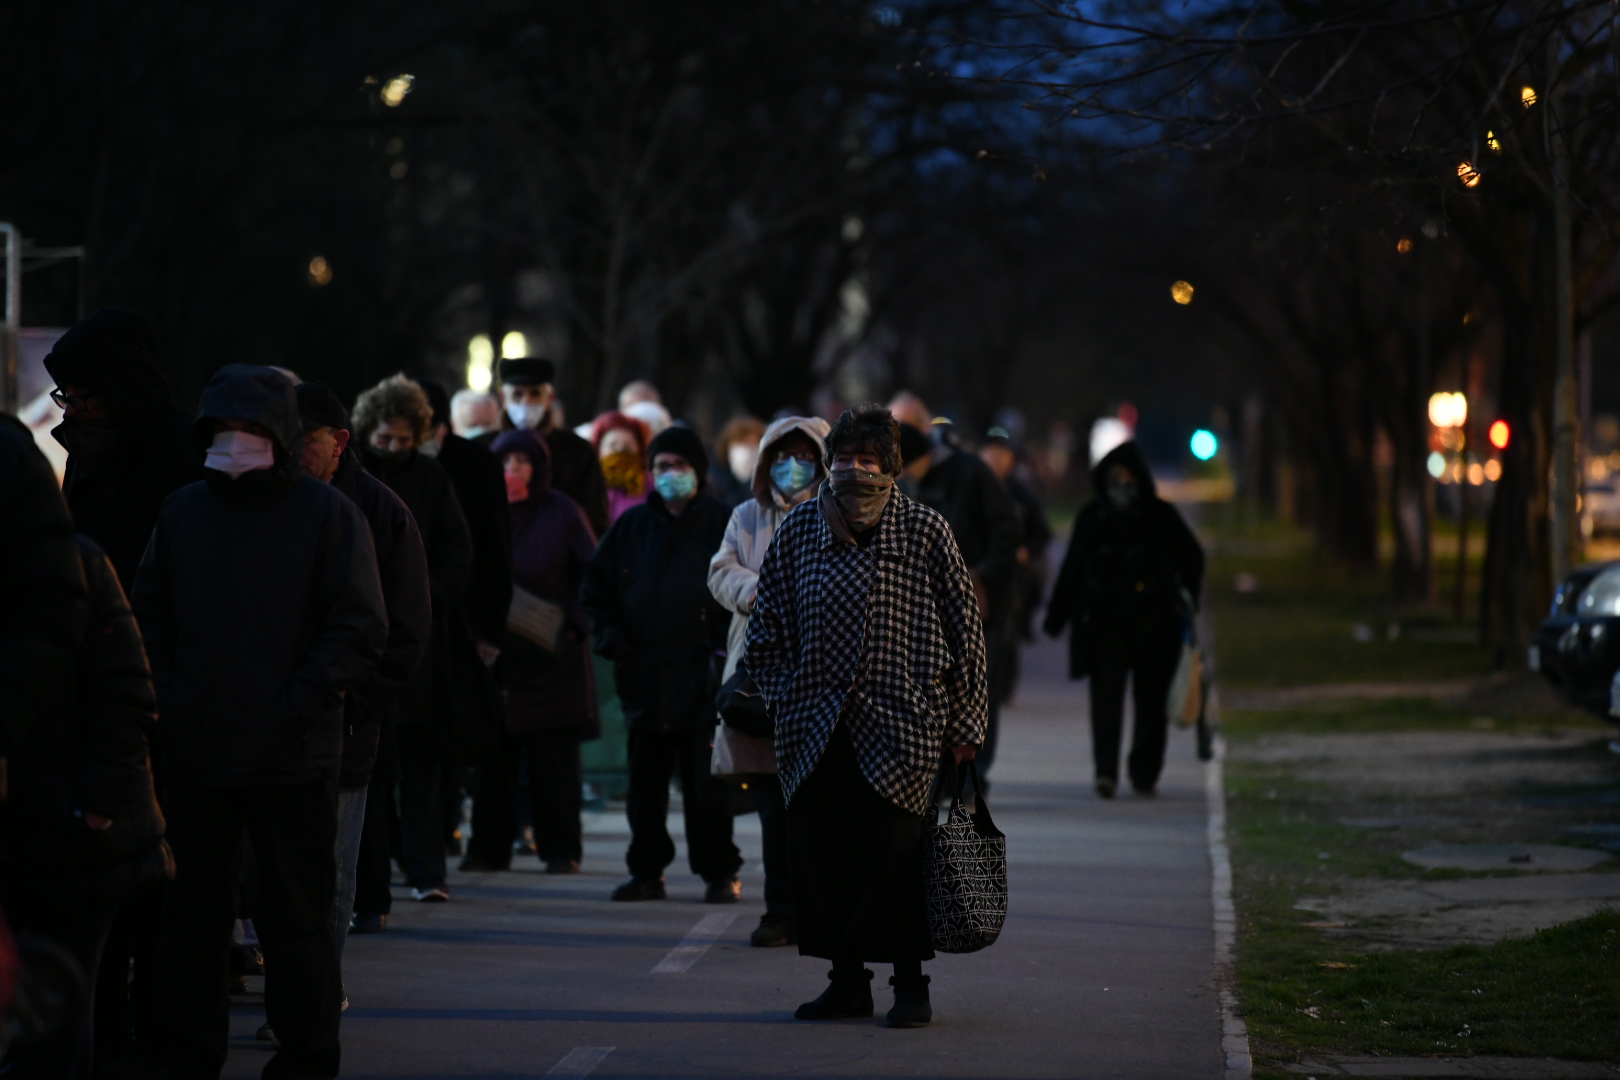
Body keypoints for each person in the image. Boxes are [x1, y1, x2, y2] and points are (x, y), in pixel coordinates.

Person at [133, 364, 387, 1080]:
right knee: (192, 922)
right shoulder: (184, 512)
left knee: (295, 921)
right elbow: (149, 613)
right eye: (224, 430)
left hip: (291, 757)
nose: (235, 443)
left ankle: (306, 1057)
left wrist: (297, 704)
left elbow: (358, 627)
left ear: (277, 435)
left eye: (249, 430)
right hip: (201, 750)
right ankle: (186, 1055)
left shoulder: (328, 515)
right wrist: (173, 698)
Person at [746, 404, 988, 1029]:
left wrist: (963, 727)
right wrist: (784, 696)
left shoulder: (926, 531)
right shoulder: (800, 530)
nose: (855, 470)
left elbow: (968, 634)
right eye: (845, 460)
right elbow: (765, 628)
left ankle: (912, 984)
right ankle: (846, 982)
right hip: (815, 729)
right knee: (827, 860)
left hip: (902, 727)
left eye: (869, 460)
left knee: (897, 860)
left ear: (892, 467)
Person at [294, 382, 431, 976]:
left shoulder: (379, 512)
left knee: (329, 872)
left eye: (302, 441)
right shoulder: (268, 502)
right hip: (267, 717)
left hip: (344, 722)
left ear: (337, 442)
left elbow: (403, 629)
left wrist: (355, 704)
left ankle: (312, 999)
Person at [582, 425, 741, 903]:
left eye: (679, 466)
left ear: (698, 472)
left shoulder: (721, 522)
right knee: (644, 790)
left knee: (707, 788)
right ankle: (647, 871)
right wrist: (614, 641)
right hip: (644, 677)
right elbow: (597, 589)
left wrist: (720, 652)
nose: (670, 475)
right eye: (661, 467)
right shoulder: (631, 527)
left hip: (701, 678)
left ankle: (718, 871)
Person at [351, 374, 479, 905]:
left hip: (418, 639)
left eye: (405, 439)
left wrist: (426, 595)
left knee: (422, 766)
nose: (394, 448)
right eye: (385, 438)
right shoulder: (353, 478)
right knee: (374, 773)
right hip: (364, 635)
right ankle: (375, 877)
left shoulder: (430, 478)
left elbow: (457, 551)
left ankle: (427, 870)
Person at [707, 415, 829, 948]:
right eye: (782, 454)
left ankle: (821, 907)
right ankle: (780, 908)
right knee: (774, 803)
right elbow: (720, 571)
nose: (792, 464)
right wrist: (761, 589)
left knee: (821, 803)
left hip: (822, 678)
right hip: (761, 677)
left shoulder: (835, 513)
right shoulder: (746, 516)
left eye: (804, 454)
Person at [463, 430, 599, 873]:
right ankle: (488, 849)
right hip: (495, 660)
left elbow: (592, 577)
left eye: (523, 461)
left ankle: (560, 850)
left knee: (554, 766)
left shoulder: (562, 512)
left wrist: (572, 626)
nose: (514, 470)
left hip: (552, 659)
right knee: (494, 764)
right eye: (506, 461)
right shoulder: (481, 509)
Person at [1043, 441, 1204, 798]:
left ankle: (1144, 773)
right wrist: (1056, 617)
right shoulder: (1092, 518)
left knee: (1150, 701)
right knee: (1106, 702)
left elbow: (1192, 557)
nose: (1123, 485)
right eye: (1116, 478)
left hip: (1153, 623)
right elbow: (1072, 570)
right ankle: (1106, 773)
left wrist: (1186, 598)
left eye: (1129, 478)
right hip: (1105, 626)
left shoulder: (1161, 516)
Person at [898, 421, 1020, 792]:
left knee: (976, 690)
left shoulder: (970, 472)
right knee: (937, 689)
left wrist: (982, 573)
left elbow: (1007, 527)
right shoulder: (907, 482)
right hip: (930, 600)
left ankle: (973, 775)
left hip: (981, 601)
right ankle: (942, 776)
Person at [44, 308, 204, 588]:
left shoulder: (184, 455)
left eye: (80, 396)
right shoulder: (87, 448)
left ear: (118, 391)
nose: (69, 412)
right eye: (66, 395)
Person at [495, 357, 611, 536]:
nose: (526, 402)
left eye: (535, 394)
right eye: (517, 394)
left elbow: (595, 517)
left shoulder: (577, 451)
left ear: (549, 398)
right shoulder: (482, 449)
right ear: (503, 398)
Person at [980, 428, 1053, 705]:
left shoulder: (1021, 493)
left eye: (1002, 454)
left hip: (1013, 575)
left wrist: (1026, 551)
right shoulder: (975, 486)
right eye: (991, 453)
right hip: (979, 570)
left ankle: (1003, 687)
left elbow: (1041, 532)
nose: (996, 459)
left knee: (1007, 633)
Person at [590, 410, 653, 524]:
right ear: (599, 449)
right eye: (613, 445)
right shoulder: (588, 482)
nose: (620, 451)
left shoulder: (652, 487)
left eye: (627, 447)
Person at [709, 416, 765, 508]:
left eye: (752, 445)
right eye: (741, 443)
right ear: (727, 447)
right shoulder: (713, 484)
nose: (746, 452)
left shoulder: (767, 488)